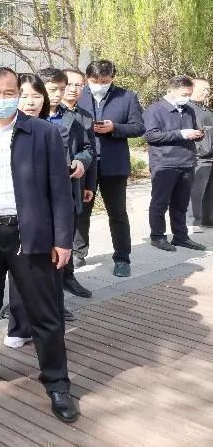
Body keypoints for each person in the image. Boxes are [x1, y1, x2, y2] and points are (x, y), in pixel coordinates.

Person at [0, 66, 78, 424]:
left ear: (18, 94)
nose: (3, 100)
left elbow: (60, 191)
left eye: (9, 93)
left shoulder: (43, 133)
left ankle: (57, 382)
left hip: (30, 234)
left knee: (44, 312)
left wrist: (62, 239)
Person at [4, 73, 93, 348]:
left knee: (52, 270)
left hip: (50, 210)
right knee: (19, 272)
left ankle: (51, 326)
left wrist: (81, 166)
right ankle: (19, 326)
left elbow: (83, 153)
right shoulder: (1, 131)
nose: (30, 102)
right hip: (15, 212)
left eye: (36, 96)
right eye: (23, 96)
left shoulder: (57, 129)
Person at [77, 59, 145, 277]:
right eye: (95, 80)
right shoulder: (78, 94)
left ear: (112, 78)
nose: (99, 84)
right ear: (87, 78)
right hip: (84, 163)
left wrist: (114, 128)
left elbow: (139, 127)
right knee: (81, 211)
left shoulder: (126, 97)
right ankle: (78, 252)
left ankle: (122, 258)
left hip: (113, 164)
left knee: (117, 213)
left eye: (104, 81)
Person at [42, 68, 95, 299]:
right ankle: (26, 297)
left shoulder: (73, 118)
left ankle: (66, 278)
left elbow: (87, 148)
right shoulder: (30, 116)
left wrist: (82, 161)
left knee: (65, 236)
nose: (58, 94)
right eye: (52, 89)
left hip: (67, 188)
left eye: (61, 89)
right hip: (37, 193)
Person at [143, 75, 207, 252]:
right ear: (171, 90)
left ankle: (181, 236)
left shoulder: (188, 109)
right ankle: (158, 236)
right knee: (160, 202)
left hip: (187, 161)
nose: (187, 97)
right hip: (164, 163)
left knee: (181, 202)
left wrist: (197, 134)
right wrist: (181, 134)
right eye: (184, 94)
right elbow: (150, 135)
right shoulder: (154, 110)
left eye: (189, 94)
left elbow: (190, 131)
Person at [62, 69, 99, 271]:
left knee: (79, 217)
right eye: (69, 84)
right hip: (53, 179)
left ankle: (77, 254)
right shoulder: (46, 112)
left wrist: (90, 185)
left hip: (77, 178)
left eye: (78, 85)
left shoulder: (85, 116)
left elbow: (90, 150)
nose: (73, 89)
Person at [188, 78, 213, 230]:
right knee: (195, 191)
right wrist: (199, 149)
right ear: (193, 88)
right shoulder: (187, 109)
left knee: (209, 191)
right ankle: (192, 222)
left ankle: (208, 219)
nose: (207, 92)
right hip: (198, 156)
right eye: (204, 89)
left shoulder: (206, 109)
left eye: (209, 89)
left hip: (210, 155)